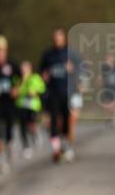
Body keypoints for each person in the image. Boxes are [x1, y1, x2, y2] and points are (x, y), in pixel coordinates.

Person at [39, 28, 82, 163]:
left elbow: (82, 70)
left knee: (67, 124)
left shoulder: (71, 54)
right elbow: (41, 71)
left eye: (60, 37)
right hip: (53, 93)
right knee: (53, 122)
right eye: (55, 38)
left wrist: (73, 71)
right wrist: (43, 76)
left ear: (64, 39)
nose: (57, 40)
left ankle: (67, 147)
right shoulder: (48, 55)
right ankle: (56, 150)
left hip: (69, 93)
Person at [0, 35, 20, 174]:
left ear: (5, 50)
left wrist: (16, 88)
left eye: (0, 49)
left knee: (8, 131)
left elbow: (21, 78)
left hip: (9, 102)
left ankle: (9, 151)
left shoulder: (12, 65)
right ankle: (1, 160)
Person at [15, 60, 46, 159]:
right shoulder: (18, 79)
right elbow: (15, 91)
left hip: (33, 105)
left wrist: (35, 91)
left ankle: (35, 134)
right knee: (23, 127)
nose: (23, 70)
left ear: (30, 68)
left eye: (25, 68)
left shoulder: (35, 78)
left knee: (31, 124)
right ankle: (26, 147)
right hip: (21, 105)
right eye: (22, 68)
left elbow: (42, 89)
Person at [98, 53, 115, 127]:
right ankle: (108, 118)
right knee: (106, 103)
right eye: (109, 58)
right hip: (106, 87)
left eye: (112, 57)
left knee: (113, 103)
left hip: (114, 87)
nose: (110, 59)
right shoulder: (104, 66)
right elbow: (100, 75)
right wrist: (99, 81)